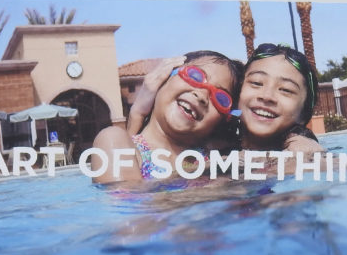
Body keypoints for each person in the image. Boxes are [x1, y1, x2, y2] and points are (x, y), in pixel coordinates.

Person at [94, 50, 243, 183]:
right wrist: (137, 112)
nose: (202, 95)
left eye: (221, 98)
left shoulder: (218, 159)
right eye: (195, 76)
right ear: (163, 79)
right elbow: (126, 207)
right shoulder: (112, 139)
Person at [238, 42, 323, 154]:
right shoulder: (212, 143)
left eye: (286, 90)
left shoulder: (305, 152)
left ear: (303, 113)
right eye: (256, 82)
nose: (267, 96)